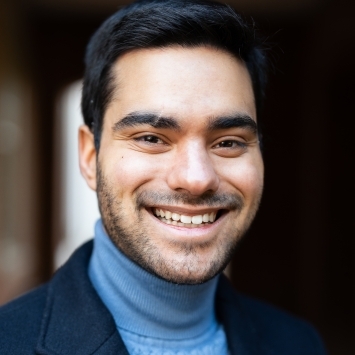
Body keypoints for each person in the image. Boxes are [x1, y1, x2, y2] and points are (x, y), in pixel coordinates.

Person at [0, 0, 327, 354]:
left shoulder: (299, 343)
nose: (196, 178)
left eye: (228, 142)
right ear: (90, 157)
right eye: (152, 139)